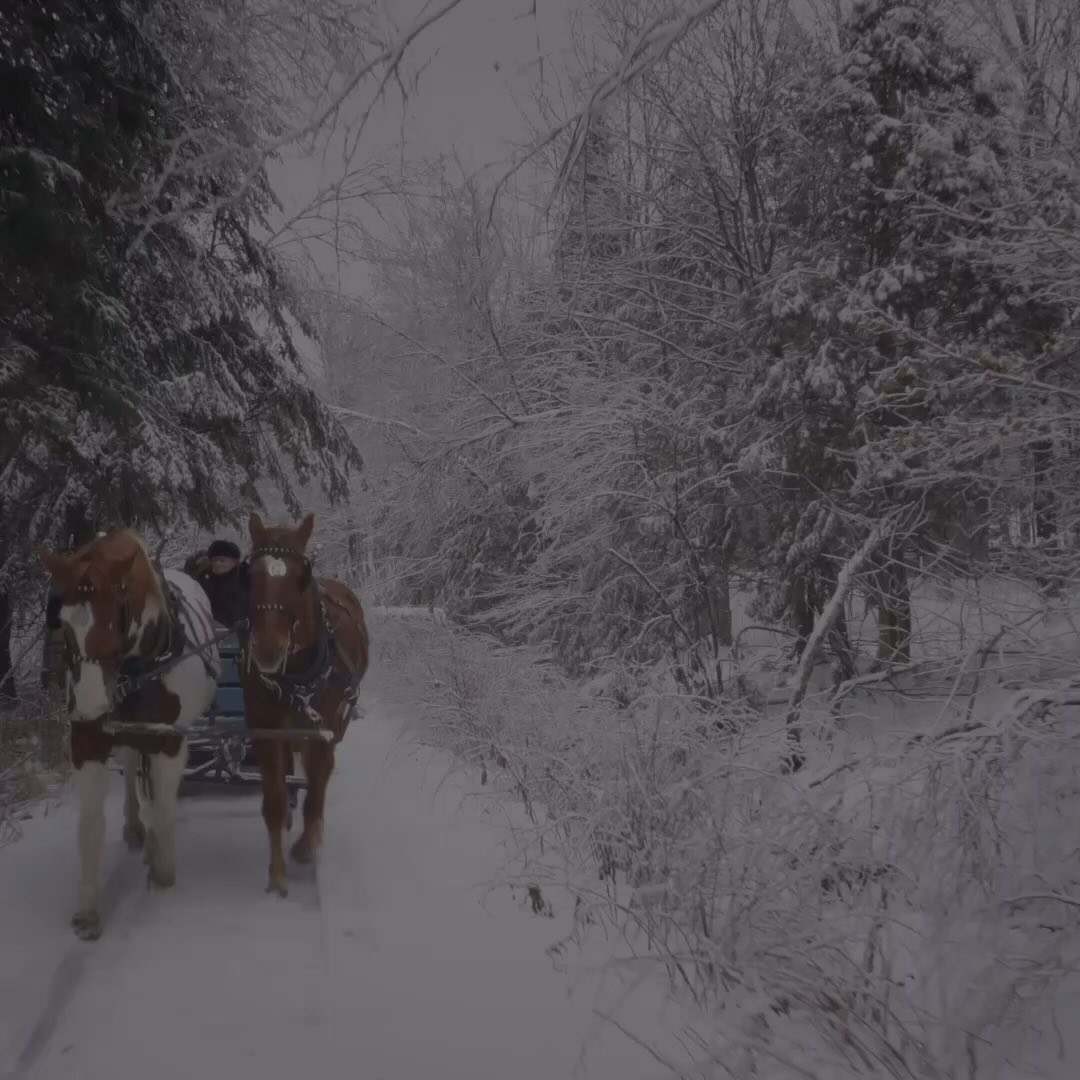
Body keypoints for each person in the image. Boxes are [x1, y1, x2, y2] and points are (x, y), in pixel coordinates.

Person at [183, 538, 247, 628]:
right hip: (209, 630)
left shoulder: (243, 578)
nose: (218, 564)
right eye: (215, 560)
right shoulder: (206, 579)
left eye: (222, 560)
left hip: (237, 631)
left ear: (235, 562)